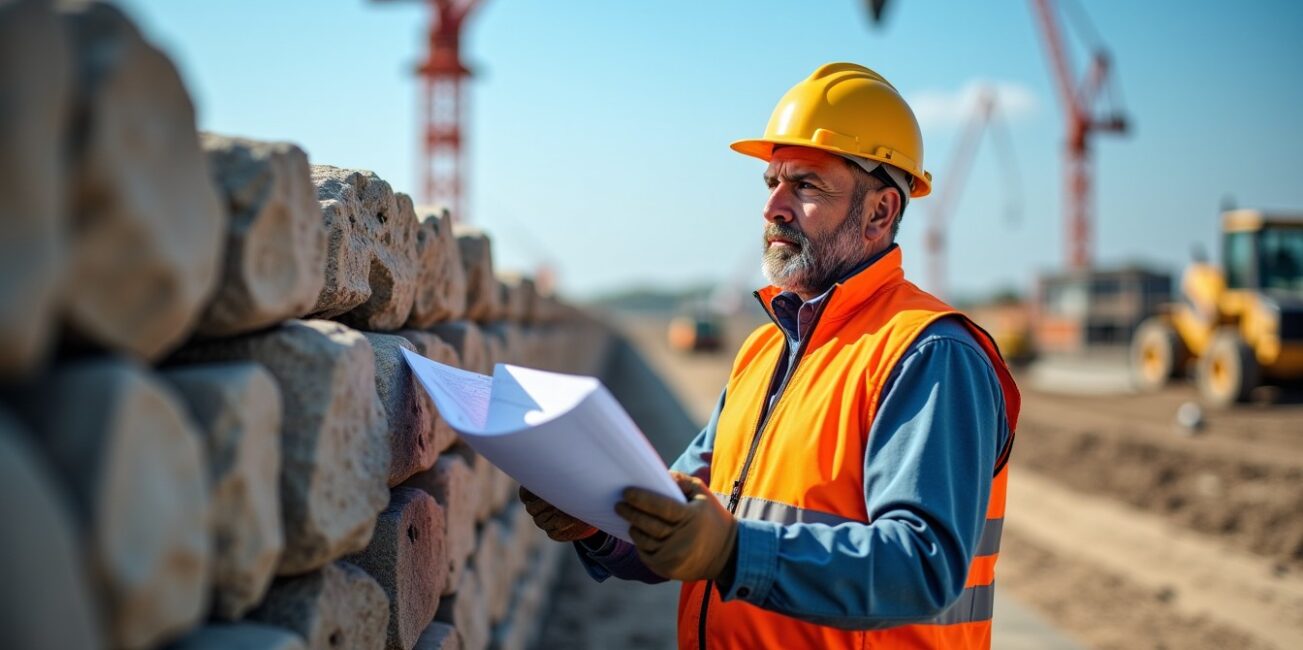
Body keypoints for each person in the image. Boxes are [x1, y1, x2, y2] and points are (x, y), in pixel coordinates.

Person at [520, 62, 1020, 649]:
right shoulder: (764, 351)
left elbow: (920, 565)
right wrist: (596, 520)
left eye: (805, 185)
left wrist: (733, 551)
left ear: (881, 211)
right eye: (771, 183)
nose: (774, 207)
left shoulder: (929, 353)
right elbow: (680, 520)